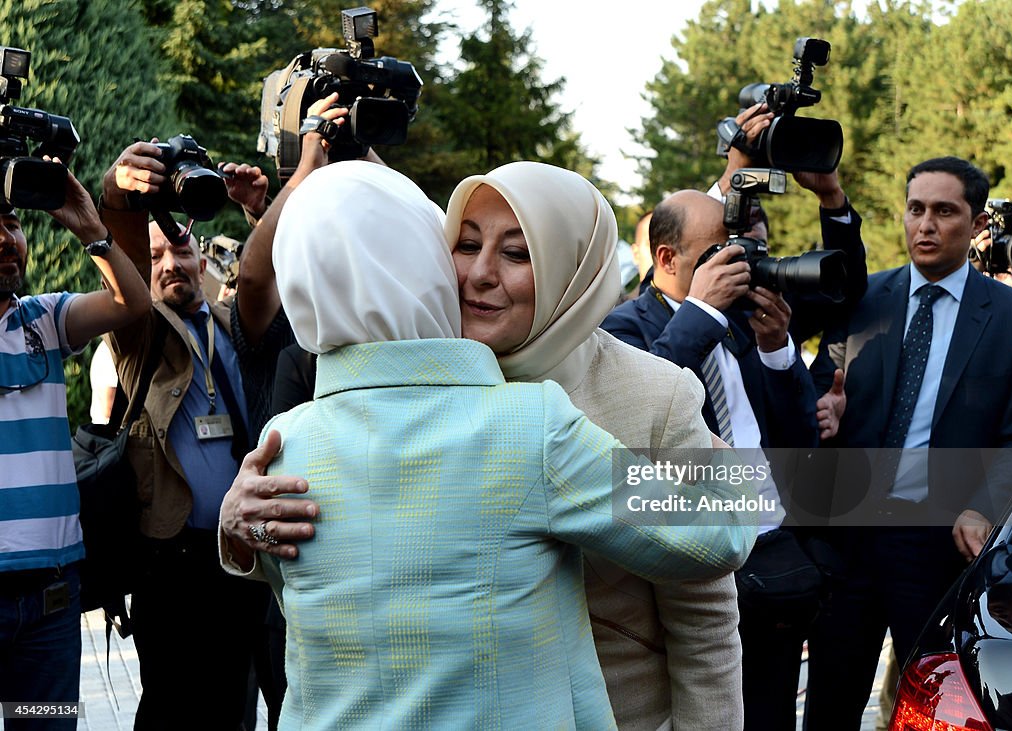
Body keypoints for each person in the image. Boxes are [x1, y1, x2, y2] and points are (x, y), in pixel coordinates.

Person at [231, 160, 756, 729]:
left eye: (516, 253)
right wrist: (240, 525)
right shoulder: (439, 397)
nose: (478, 273)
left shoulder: (654, 394)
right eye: (465, 244)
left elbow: (705, 623)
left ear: (571, 266)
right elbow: (325, 566)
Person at [805, 156, 1012, 729]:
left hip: (939, 546)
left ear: (976, 225)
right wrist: (821, 410)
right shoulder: (861, 298)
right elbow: (815, 389)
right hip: (846, 538)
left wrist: (984, 505)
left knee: (934, 709)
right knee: (831, 699)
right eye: (915, 209)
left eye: (944, 211)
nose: (925, 224)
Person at [601, 189, 819, 730]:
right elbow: (637, 414)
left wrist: (776, 350)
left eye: (736, 252)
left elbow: (798, 438)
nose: (732, 267)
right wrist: (700, 313)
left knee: (772, 712)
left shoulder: (742, 323)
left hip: (776, 554)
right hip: (697, 564)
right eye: (712, 255)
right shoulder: (625, 328)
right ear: (667, 259)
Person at [97, 145, 271, 730]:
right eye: (154, 258)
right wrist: (119, 194)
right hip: (171, 558)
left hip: (244, 553)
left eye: (179, 249)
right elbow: (118, 252)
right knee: (173, 704)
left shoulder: (234, 326)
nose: (170, 263)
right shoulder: (138, 333)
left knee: (236, 703)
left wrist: (259, 211)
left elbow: (276, 281)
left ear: (201, 257)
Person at [0, 163, 150, 728]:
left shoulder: (43, 319)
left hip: (49, 603)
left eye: (12, 222)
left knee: (45, 724)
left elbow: (129, 304)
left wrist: (90, 225)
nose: (5, 237)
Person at [710, 101, 868, 344]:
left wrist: (831, 196)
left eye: (754, 241)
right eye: (732, 235)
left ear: (768, 248)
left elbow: (846, 289)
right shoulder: (678, 299)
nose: (743, 247)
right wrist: (731, 179)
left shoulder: (778, 307)